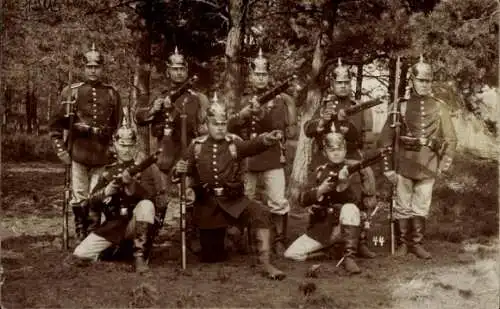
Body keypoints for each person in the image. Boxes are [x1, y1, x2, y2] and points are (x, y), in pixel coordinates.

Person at [174, 93, 286, 280]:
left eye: (222, 124)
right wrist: (179, 170)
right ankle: (226, 239)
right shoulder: (196, 147)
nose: (219, 128)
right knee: (212, 257)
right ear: (207, 125)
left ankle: (266, 263)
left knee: (260, 212)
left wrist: (267, 139)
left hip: (233, 200)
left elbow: (252, 146)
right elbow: (178, 174)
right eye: (215, 124)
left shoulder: (234, 144)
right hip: (208, 206)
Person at [378, 56, 457, 259]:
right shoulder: (401, 106)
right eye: (421, 80)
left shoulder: (439, 106)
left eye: (428, 81)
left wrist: (445, 161)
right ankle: (403, 243)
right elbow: (385, 140)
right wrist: (387, 168)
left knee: (422, 204)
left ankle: (417, 243)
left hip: (428, 162)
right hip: (404, 163)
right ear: (412, 81)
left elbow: (450, 138)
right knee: (403, 204)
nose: (424, 85)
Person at [303, 58, 377, 258]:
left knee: (366, 192)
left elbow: (366, 138)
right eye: (339, 83)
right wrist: (321, 122)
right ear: (332, 84)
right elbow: (308, 129)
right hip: (327, 159)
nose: (343, 86)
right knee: (322, 198)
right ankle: (323, 238)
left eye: (346, 82)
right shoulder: (325, 105)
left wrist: (349, 129)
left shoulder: (359, 107)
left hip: (352, 157)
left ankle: (360, 241)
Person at [135, 47, 209, 242]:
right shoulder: (158, 94)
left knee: (191, 193)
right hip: (164, 150)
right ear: (168, 71)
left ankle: (192, 233)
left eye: (182, 69)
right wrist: (154, 109)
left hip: (188, 151)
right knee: (160, 195)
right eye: (174, 69)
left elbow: (204, 125)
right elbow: (139, 117)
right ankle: (152, 234)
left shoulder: (197, 97)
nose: (178, 72)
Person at [71, 124, 168, 273]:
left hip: (136, 223)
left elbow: (155, 200)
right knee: (80, 254)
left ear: (136, 146)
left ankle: (139, 256)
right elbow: (92, 203)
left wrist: (132, 187)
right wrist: (106, 192)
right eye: (122, 145)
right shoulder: (107, 169)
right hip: (114, 225)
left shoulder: (147, 168)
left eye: (130, 145)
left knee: (146, 205)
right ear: (115, 145)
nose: (126, 149)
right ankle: (114, 250)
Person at [49, 43, 121, 243]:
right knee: (79, 195)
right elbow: (55, 125)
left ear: (102, 68)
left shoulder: (112, 93)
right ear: (84, 68)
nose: (93, 70)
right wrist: (61, 150)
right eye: (89, 67)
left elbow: (117, 124)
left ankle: (94, 235)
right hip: (78, 152)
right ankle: (81, 234)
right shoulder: (70, 92)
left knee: (97, 196)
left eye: (96, 66)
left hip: (101, 153)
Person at [228, 48, 297, 255]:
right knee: (246, 198)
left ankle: (278, 240)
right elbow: (229, 127)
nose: (260, 78)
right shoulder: (241, 99)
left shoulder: (282, 100)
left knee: (277, 199)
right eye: (256, 74)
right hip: (248, 157)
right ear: (250, 76)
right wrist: (244, 114)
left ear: (269, 75)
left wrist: (261, 113)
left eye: (264, 74)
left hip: (273, 156)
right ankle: (248, 240)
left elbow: (284, 128)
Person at [284, 132, 376, 274]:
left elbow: (355, 201)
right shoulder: (320, 172)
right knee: (291, 254)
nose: (336, 153)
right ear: (325, 152)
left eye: (339, 149)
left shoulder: (354, 171)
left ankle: (349, 257)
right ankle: (331, 253)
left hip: (346, 225)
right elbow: (302, 200)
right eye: (332, 150)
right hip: (323, 228)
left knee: (350, 208)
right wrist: (320, 190)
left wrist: (344, 184)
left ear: (345, 150)